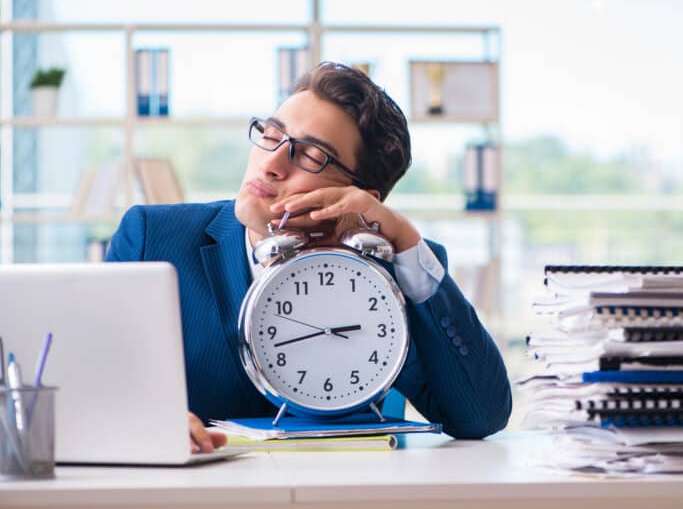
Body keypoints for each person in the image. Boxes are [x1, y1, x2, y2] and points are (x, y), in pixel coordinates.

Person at [106, 61, 512, 453]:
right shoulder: (152, 240)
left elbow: (480, 415)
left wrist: (405, 240)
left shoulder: (395, 275)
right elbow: (91, 385)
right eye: (271, 135)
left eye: (311, 155)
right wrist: (145, 419)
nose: (271, 164)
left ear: (362, 198)